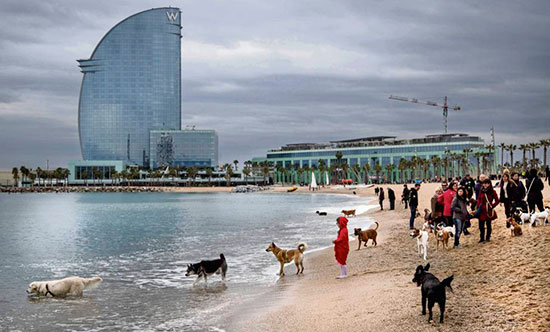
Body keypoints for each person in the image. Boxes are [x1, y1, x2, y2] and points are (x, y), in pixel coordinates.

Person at [476, 179, 499, 243]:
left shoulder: (492, 191)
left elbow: (497, 200)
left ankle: (488, 237)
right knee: (481, 225)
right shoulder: (481, 191)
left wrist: (492, 205)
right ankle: (482, 238)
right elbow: (479, 199)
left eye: (486, 183)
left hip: (488, 210)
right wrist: (477, 207)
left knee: (488, 224)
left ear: (489, 184)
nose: (485, 185)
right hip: (482, 210)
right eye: (484, 183)